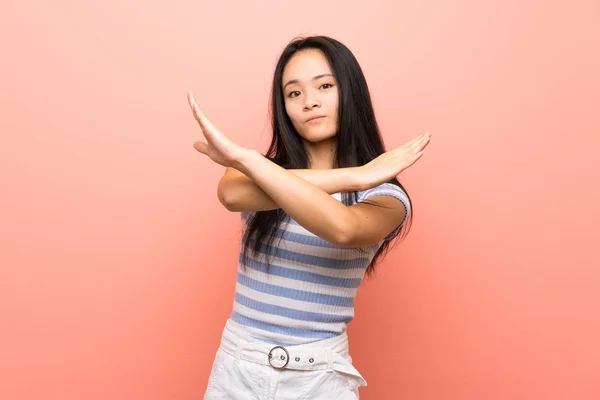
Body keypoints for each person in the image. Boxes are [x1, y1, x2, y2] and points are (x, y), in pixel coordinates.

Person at [188, 35, 430, 399]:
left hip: (318, 380)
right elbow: (230, 193)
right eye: (293, 93)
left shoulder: (384, 196)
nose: (309, 101)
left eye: (325, 86)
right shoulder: (266, 173)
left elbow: (345, 229)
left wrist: (246, 159)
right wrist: (354, 174)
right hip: (237, 370)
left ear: (351, 92)